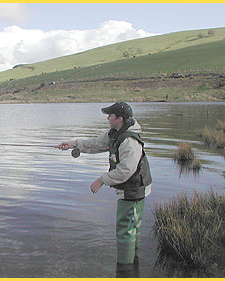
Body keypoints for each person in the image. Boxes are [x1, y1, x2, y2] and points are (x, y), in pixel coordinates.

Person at [54, 102, 152, 276]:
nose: (107, 119)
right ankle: (132, 267)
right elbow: (97, 144)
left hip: (133, 189)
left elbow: (126, 170)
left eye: (110, 116)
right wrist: (73, 144)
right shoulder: (115, 133)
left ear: (120, 119)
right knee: (132, 228)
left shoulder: (129, 140)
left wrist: (102, 180)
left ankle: (124, 270)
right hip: (134, 188)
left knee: (125, 230)